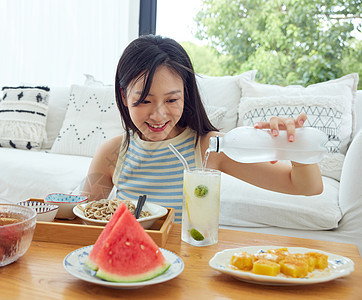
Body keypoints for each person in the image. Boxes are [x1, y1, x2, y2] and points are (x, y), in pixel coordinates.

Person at [82, 35, 323, 222]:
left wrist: (295, 147)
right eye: (144, 100)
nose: (158, 114)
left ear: (185, 95)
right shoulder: (113, 153)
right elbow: (82, 217)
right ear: (124, 96)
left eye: (171, 100)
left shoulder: (210, 147)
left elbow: (307, 187)